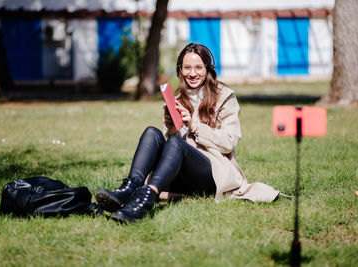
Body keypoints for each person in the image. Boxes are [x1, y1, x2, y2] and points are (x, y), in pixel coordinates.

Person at [96, 43, 280, 223]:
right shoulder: (176, 100)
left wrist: (194, 126)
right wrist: (171, 128)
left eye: (198, 67)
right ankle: (130, 188)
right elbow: (169, 150)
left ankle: (145, 199)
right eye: (187, 68)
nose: (192, 73)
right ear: (180, 71)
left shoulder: (225, 97)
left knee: (176, 144)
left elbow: (229, 143)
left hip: (211, 173)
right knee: (152, 132)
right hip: (179, 175)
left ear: (208, 69)